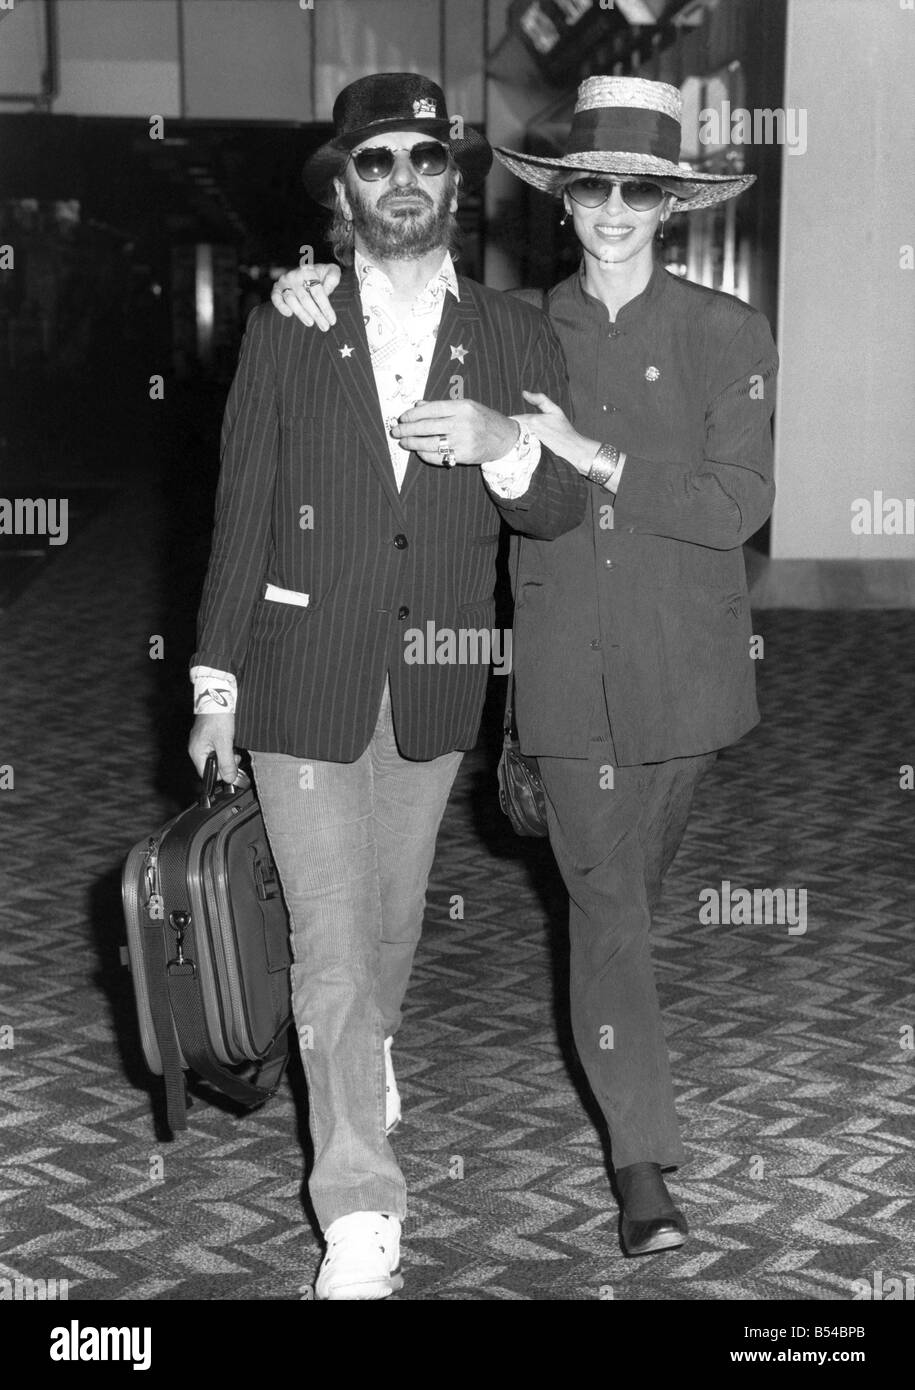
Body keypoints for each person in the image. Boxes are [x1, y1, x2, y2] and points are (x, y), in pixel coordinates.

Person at [272, 75, 778, 1259]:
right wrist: (301, 286)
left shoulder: (726, 334)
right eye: (592, 185)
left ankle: (625, 1078)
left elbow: (740, 504)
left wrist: (591, 454)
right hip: (557, 673)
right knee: (606, 912)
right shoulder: (513, 326)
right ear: (564, 201)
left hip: (685, 675)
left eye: (637, 192)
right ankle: (643, 1164)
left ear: (672, 209)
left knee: (631, 902)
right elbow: (386, 318)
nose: (611, 209)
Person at [188, 72, 587, 1301]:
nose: (402, 179)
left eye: (424, 157)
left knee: (391, 924)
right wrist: (214, 684)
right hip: (299, 670)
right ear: (343, 190)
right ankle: (359, 1204)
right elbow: (243, 506)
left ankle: (368, 1051)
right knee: (329, 938)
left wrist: (506, 447)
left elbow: (565, 504)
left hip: (436, 676)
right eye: (376, 162)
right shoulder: (291, 321)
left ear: (453, 185)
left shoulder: (516, 333)